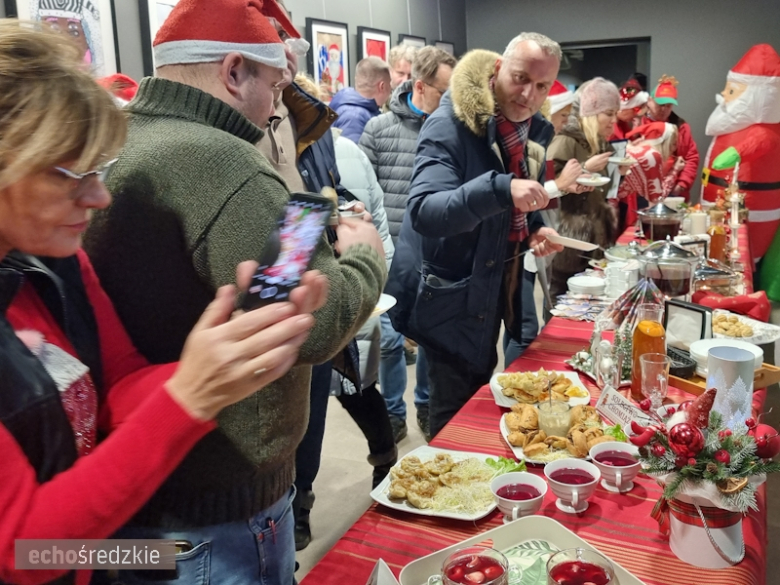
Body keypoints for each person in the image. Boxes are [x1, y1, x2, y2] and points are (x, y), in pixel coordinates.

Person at [0, 19, 318, 585]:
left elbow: (119, 382)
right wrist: (190, 396)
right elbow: (23, 552)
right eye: (72, 174)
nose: (98, 197)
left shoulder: (51, 259)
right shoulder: (230, 162)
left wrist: (231, 356)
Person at [83, 1, 387, 583]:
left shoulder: (123, 136)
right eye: (274, 88)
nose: (275, 107)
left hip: (137, 489)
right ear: (233, 71)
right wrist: (367, 259)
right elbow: (312, 323)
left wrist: (308, 209)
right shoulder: (224, 162)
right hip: (219, 509)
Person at [387, 33, 565, 439]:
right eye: (521, 78)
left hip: (494, 283)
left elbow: (514, 205)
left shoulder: (532, 128)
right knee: (455, 421)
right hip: (450, 297)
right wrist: (500, 189)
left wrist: (535, 228)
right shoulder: (449, 123)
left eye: (542, 86)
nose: (529, 95)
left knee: (481, 404)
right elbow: (425, 211)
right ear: (498, 69)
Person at [360, 46, 456, 441]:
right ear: (420, 86)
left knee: (430, 338)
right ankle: (393, 413)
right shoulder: (378, 129)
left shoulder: (453, 131)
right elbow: (363, 194)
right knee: (389, 342)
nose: (451, 101)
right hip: (389, 254)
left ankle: (426, 406)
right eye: (444, 92)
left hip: (435, 254)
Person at [701, 43, 780, 268]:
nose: (724, 96)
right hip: (717, 203)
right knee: (716, 246)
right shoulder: (734, 125)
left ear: (757, 96)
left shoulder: (767, 129)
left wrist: (737, 152)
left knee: (740, 255)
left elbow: (762, 142)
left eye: (732, 91)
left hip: (751, 207)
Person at [547, 77, 624, 299]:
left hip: (593, 238)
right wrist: (585, 167)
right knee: (561, 301)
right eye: (608, 113)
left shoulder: (599, 143)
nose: (614, 120)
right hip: (568, 240)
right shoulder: (565, 140)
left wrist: (619, 174)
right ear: (591, 113)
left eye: (615, 114)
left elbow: (602, 190)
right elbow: (548, 187)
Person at [640, 75, 699, 200]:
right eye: (660, 104)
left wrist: (682, 184)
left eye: (668, 106)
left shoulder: (681, 127)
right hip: (643, 191)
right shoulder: (638, 124)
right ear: (649, 101)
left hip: (674, 191)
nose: (663, 109)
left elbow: (691, 157)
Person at [330, 57, 392, 142]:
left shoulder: (354, 109)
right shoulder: (354, 117)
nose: (391, 89)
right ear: (382, 86)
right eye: (390, 84)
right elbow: (351, 150)